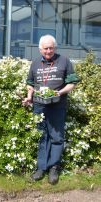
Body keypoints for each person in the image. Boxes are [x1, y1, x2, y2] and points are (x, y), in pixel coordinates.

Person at [22, 34, 79, 185]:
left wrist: (60, 92)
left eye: (51, 48)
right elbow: (30, 83)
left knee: (56, 137)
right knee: (41, 136)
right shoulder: (35, 64)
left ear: (55, 47)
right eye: (45, 48)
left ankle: (54, 167)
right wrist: (29, 96)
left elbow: (72, 82)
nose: (48, 51)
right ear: (40, 49)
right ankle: (41, 167)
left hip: (57, 105)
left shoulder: (64, 61)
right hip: (39, 105)